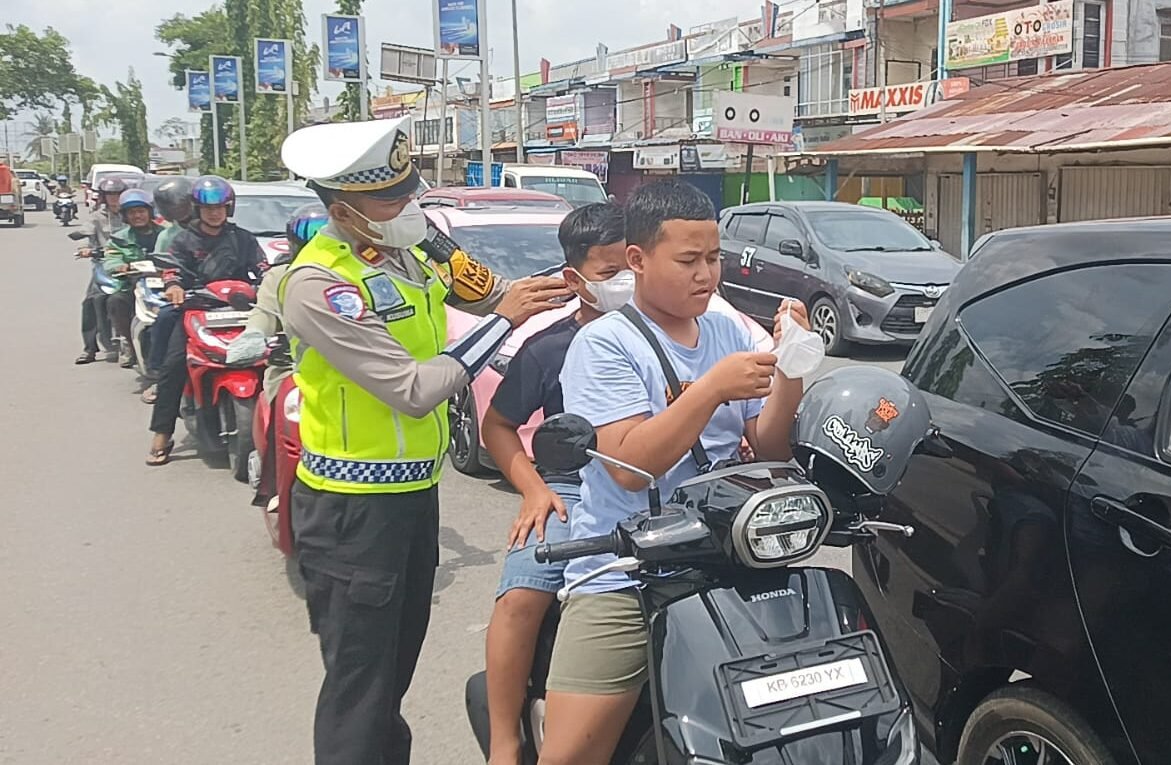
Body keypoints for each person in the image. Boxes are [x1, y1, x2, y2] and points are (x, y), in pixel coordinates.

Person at [277, 115, 572, 765]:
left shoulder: (409, 250)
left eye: (410, 191)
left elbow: (493, 288)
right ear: (345, 209)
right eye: (391, 199)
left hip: (412, 494)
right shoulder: (319, 284)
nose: (408, 205)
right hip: (353, 508)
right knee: (361, 685)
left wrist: (569, 287)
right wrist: (502, 319)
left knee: (393, 674)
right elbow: (412, 387)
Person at [538, 181, 812, 764]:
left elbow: (768, 446)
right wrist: (710, 389)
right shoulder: (603, 343)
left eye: (713, 258)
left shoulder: (727, 330)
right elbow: (631, 468)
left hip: (722, 557)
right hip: (627, 572)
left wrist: (792, 367)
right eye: (688, 260)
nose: (706, 275)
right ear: (636, 260)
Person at [482, 202, 630, 765]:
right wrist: (533, 487)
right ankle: (504, 739)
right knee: (521, 597)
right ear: (574, 278)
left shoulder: (676, 331)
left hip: (651, 483)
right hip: (570, 486)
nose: (626, 284)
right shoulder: (548, 347)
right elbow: (498, 427)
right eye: (610, 273)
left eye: (633, 268)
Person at [146, 175, 265, 466]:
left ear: (229, 208)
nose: (215, 213)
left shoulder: (243, 238)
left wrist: (270, 283)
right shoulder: (183, 239)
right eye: (208, 208)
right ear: (197, 209)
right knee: (173, 366)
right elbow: (172, 270)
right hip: (196, 307)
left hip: (241, 309)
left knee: (279, 355)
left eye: (221, 207)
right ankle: (162, 432)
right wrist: (173, 286)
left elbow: (262, 267)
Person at [225, 203, 329, 505]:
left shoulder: (357, 274)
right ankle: (273, 482)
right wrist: (255, 335)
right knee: (281, 417)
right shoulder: (280, 276)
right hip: (291, 370)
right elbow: (264, 312)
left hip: (347, 371)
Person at [140, 177, 198, 403]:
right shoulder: (167, 236)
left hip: (219, 293)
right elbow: (164, 266)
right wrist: (172, 283)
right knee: (164, 318)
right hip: (184, 293)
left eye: (184, 204)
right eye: (175, 207)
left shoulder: (227, 232)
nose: (181, 211)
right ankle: (158, 373)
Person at [104, 188, 167, 369]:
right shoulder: (119, 239)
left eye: (141, 211)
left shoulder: (165, 233)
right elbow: (110, 259)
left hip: (164, 284)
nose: (137, 216)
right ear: (125, 216)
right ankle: (130, 345)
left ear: (150, 212)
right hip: (133, 285)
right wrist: (120, 266)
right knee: (115, 301)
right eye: (132, 212)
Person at [74, 177, 127, 365]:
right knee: (90, 301)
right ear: (103, 197)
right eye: (110, 195)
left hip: (129, 265)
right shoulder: (97, 216)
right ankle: (89, 349)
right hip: (104, 265)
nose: (114, 198)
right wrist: (84, 248)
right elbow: (85, 232)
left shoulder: (132, 213)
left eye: (117, 194)